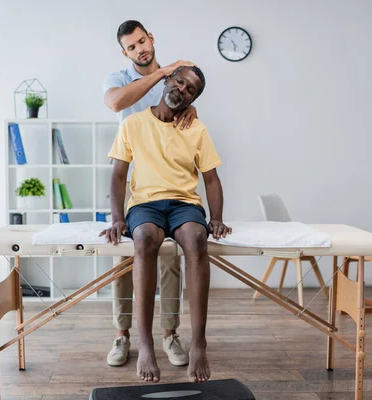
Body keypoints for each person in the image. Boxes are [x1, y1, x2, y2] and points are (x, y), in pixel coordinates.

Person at [101, 65, 231, 383]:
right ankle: (145, 345)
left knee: (197, 239)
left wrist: (216, 218)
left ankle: (199, 342)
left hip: (184, 204)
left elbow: (211, 180)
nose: (182, 90)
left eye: (190, 90)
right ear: (168, 80)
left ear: (193, 99)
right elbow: (118, 175)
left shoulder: (196, 129)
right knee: (144, 238)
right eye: (180, 82)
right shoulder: (133, 124)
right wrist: (117, 218)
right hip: (144, 205)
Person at [102, 20, 199, 369]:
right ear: (125, 53)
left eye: (142, 41)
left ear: (151, 38)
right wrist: (161, 76)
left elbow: (185, 106)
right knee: (124, 258)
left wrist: (189, 106)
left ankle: (170, 332)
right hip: (132, 183)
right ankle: (122, 334)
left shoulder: (176, 77)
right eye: (132, 46)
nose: (140, 48)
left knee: (171, 258)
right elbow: (116, 104)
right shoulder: (119, 79)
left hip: (169, 185)